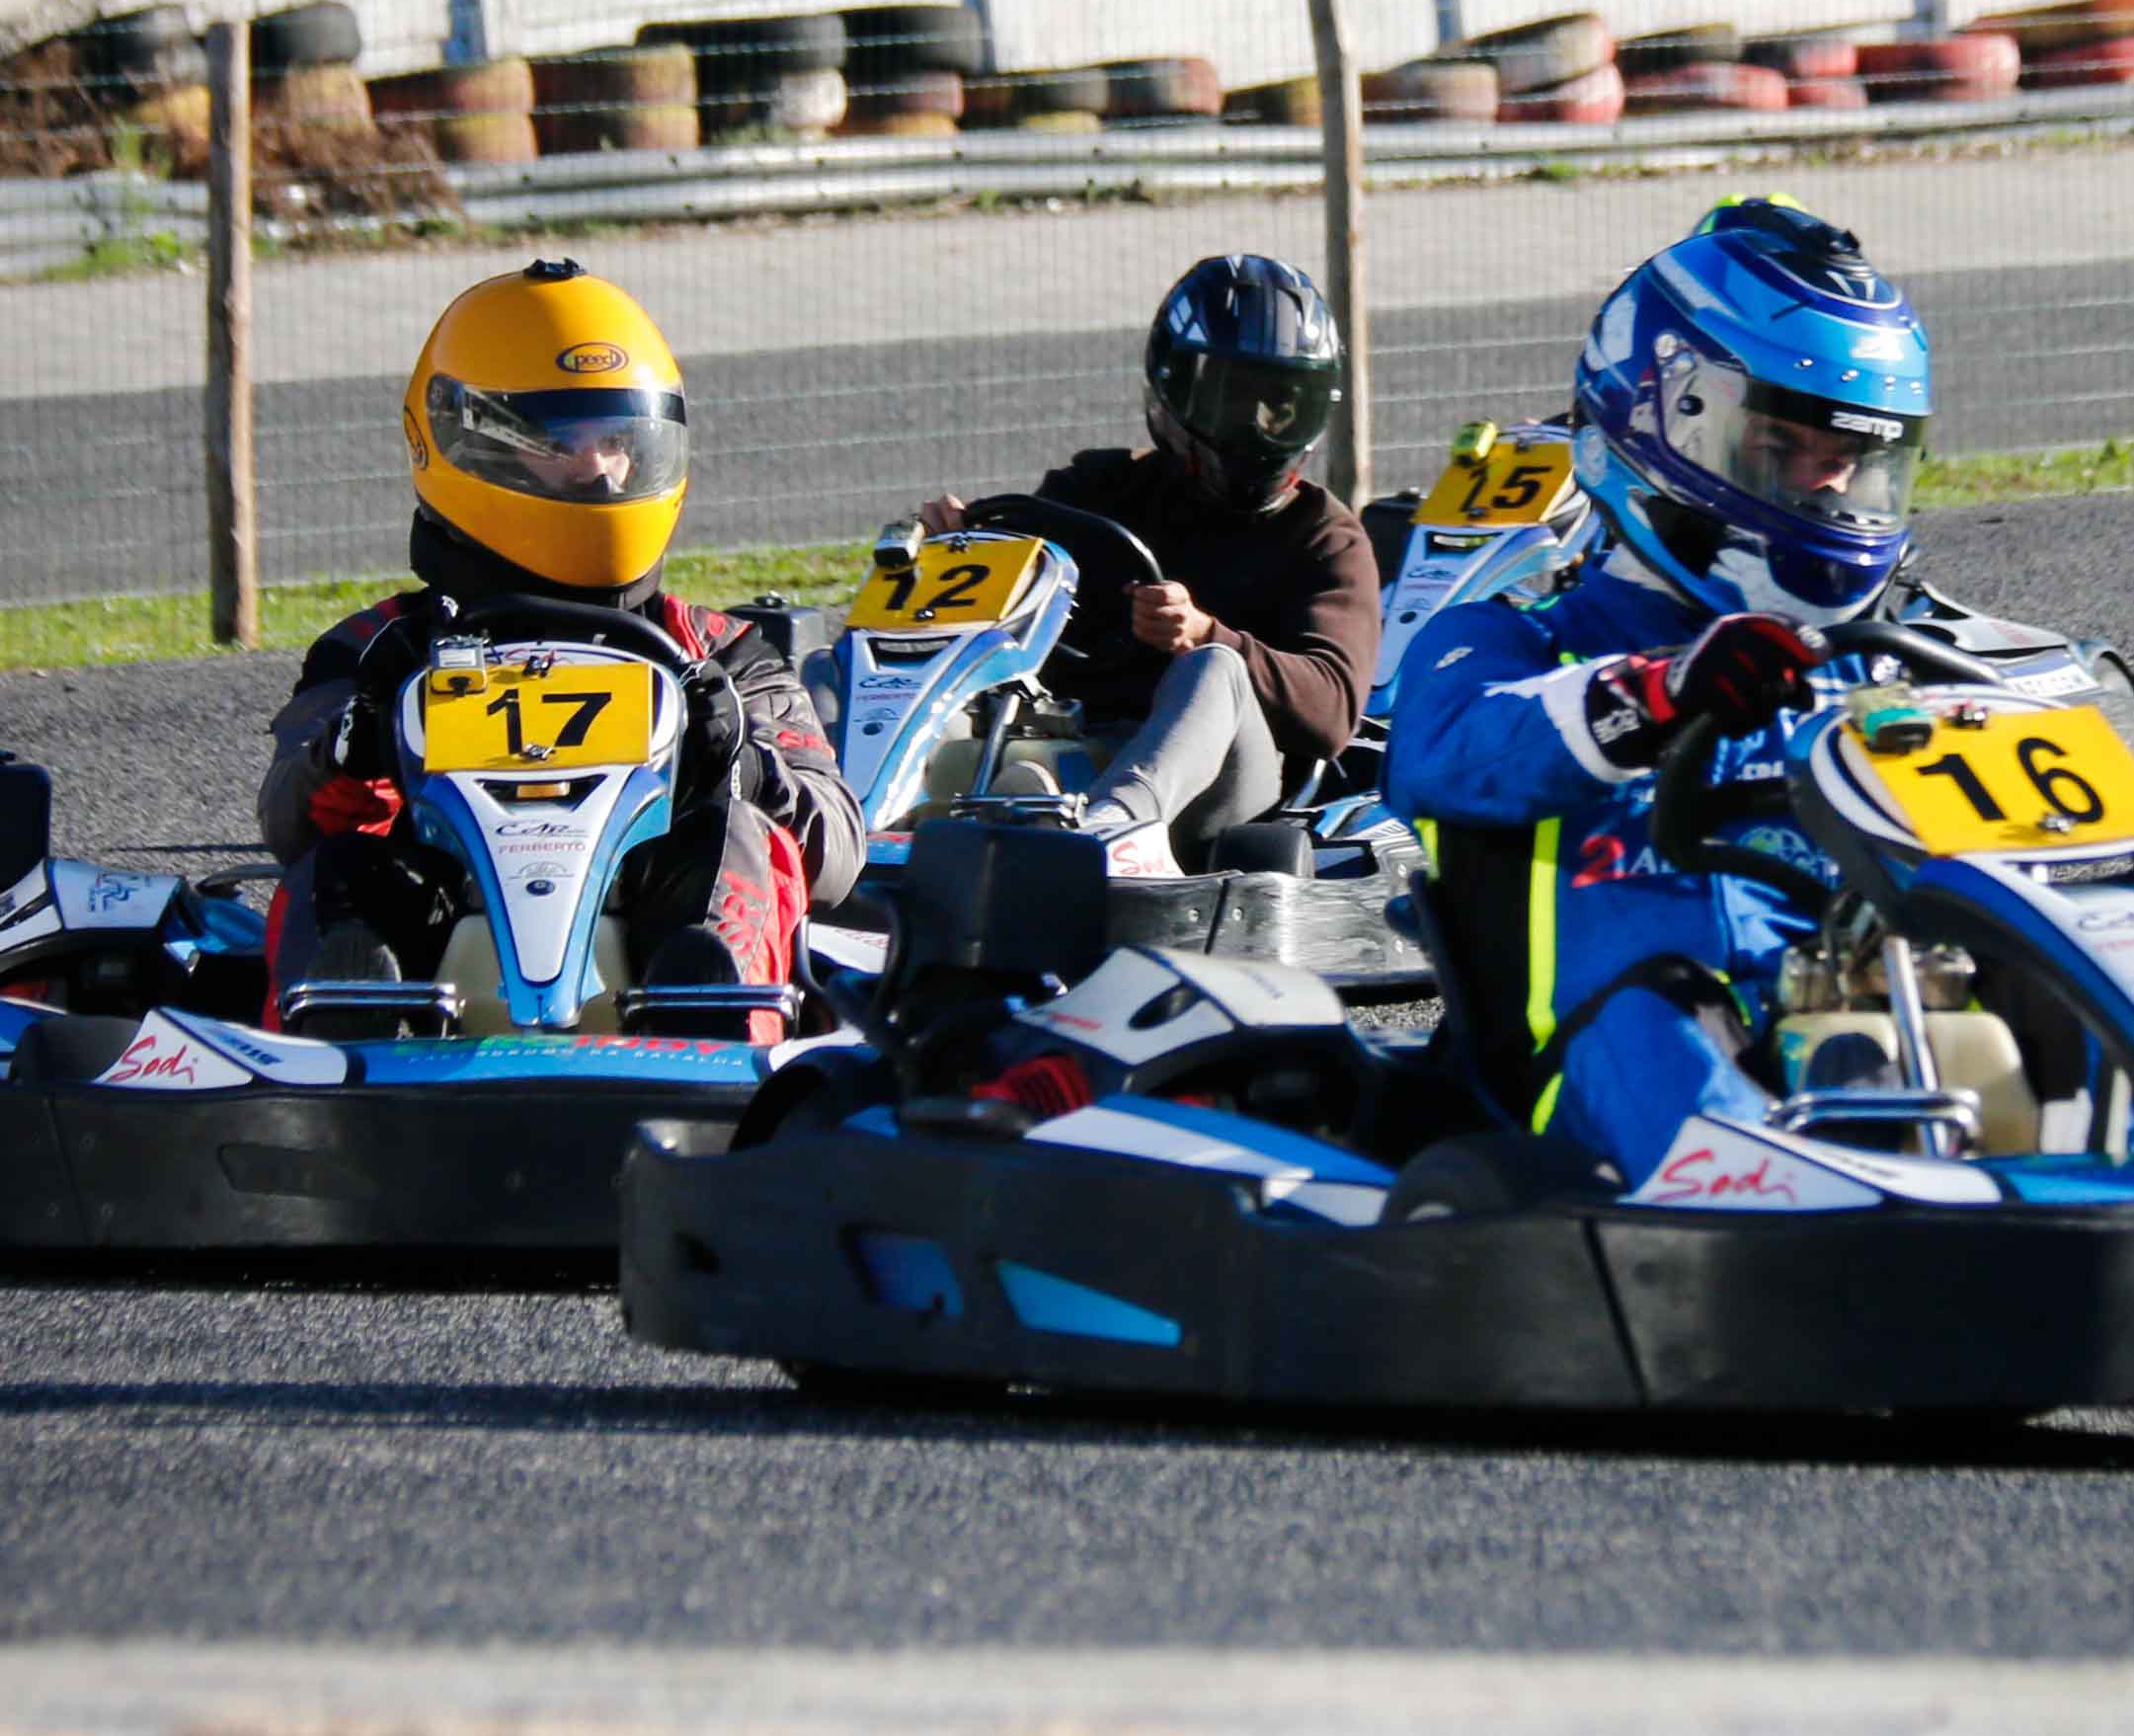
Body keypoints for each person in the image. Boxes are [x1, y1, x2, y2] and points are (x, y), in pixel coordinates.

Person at [1378, 199, 1930, 1183]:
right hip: (1594, 1066)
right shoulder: (1512, 641)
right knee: (1663, 1014)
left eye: (1846, 462)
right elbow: (1450, 753)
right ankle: (1777, 1214)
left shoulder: (1867, 664)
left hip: (1847, 1027)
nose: (1825, 493)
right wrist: (1662, 692)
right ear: (1663, 424)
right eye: (1780, 453)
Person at [257, 261, 862, 1010]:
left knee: (737, 835)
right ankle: (344, 1024)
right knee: (338, 863)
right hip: (439, 944)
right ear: (465, 442)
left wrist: (740, 762)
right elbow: (288, 822)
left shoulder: (717, 653)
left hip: (650, 943)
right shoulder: (380, 649)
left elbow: (839, 848)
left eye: (616, 437)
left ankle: (713, 1014)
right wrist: (353, 748)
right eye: (560, 439)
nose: (598, 469)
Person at [918, 251, 1377, 875]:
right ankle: (848, 817)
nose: (1254, 427)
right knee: (850, 666)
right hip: (1076, 743)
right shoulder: (1099, 489)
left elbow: (1331, 713)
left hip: (1228, 792)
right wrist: (956, 547)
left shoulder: (1326, 537)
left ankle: (1112, 830)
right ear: (1176, 390)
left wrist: (1206, 635)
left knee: (1213, 668)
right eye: (1232, 398)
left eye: (1279, 404)